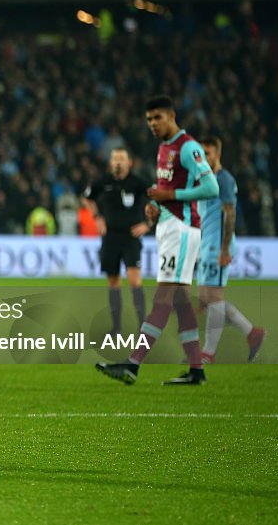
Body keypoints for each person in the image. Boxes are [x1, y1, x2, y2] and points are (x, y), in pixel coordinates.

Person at [97, 96, 219, 385]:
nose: (152, 124)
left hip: (182, 229)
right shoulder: (163, 148)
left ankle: (132, 364)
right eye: (149, 119)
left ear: (171, 116)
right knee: (180, 301)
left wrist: (170, 197)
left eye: (157, 118)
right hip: (168, 224)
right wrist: (157, 208)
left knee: (163, 296)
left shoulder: (187, 147)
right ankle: (196, 370)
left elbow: (211, 187)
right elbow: (168, 190)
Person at [195, 137, 266, 363]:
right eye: (202, 154)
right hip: (207, 244)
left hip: (218, 245)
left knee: (214, 297)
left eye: (208, 153)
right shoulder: (202, 180)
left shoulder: (224, 180)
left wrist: (225, 248)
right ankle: (252, 333)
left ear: (217, 154)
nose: (205, 158)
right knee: (207, 298)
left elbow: (230, 213)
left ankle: (207, 353)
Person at [83, 148, 150, 335]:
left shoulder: (138, 183)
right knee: (113, 282)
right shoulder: (102, 182)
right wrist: (97, 217)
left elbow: (156, 202)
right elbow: (87, 198)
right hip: (110, 238)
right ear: (110, 163)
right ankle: (117, 328)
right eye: (114, 159)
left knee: (134, 281)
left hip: (130, 239)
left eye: (121, 158)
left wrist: (147, 224)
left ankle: (142, 327)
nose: (117, 162)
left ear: (129, 162)